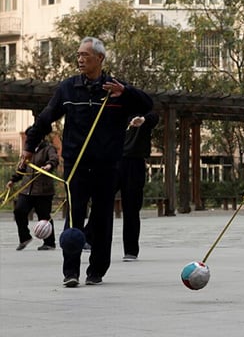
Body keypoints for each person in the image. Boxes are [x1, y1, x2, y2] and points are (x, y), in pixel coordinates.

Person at [21, 36, 153, 288]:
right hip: (76, 165)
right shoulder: (68, 89)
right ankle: (70, 271)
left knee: (103, 218)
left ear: (100, 59)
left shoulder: (117, 89)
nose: (80, 59)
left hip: (107, 165)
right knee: (74, 218)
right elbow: (46, 118)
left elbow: (147, 104)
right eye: (78, 55)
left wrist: (126, 92)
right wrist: (29, 147)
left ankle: (97, 270)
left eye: (86, 55)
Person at [115, 112, 159, 262]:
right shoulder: (112, 109)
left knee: (131, 208)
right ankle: (89, 238)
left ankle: (131, 250)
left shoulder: (142, 109)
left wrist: (144, 119)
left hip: (135, 161)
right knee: (102, 202)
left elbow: (154, 117)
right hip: (113, 161)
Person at [7, 132, 59, 251]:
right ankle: (24, 237)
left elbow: (54, 159)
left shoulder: (48, 148)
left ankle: (49, 243)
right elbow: (21, 168)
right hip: (26, 189)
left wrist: (49, 166)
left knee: (44, 216)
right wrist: (13, 180)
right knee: (19, 211)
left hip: (43, 190)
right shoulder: (27, 151)